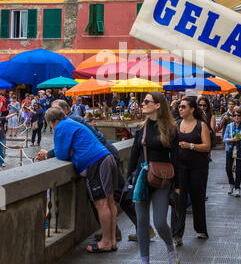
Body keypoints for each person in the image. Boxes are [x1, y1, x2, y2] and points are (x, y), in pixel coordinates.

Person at [36, 99, 154, 243]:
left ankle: (114, 236)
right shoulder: (73, 120)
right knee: (113, 198)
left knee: (107, 199)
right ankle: (114, 234)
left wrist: (50, 154)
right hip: (106, 154)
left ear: (65, 110)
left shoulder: (66, 123)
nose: (54, 112)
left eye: (55, 109)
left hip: (98, 159)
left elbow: (62, 151)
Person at [38, 107, 119, 252]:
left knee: (101, 204)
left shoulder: (60, 127)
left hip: (95, 162)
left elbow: (61, 154)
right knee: (110, 201)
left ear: (51, 122)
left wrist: (61, 152)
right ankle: (111, 240)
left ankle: (106, 242)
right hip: (106, 157)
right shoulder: (70, 122)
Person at [127, 91, 180, 264]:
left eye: (146, 101)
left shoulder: (170, 129)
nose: (142, 104)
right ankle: (145, 263)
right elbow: (134, 154)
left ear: (158, 105)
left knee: (159, 222)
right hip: (143, 178)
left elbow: (176, 159)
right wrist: (129, 180)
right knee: (141, 222)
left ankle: (170, 248)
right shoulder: (142, 128)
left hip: (163, 179)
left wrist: (177, 185)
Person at [171, 96, 211, 246]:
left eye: (183, 107)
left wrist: (191, 146)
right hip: (180, 167)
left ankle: (200, 229)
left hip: (198, 168)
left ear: (192, 109)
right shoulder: (176, 125)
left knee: (198, 199)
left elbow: (207, 146)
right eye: (179, 107)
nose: (180, 109)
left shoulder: (201, 125)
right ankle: (176, 234)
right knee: (178, 200)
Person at [223, 106, 241, 197]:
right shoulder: (229, 126)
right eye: (234, 115)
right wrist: (232, 139)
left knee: (238, 170)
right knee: (228, 168)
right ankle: (231, 184)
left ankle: (237, 188)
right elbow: (224, 139)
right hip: (229, 149)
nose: (236, 117)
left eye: (238, 115)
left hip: (240, 150)